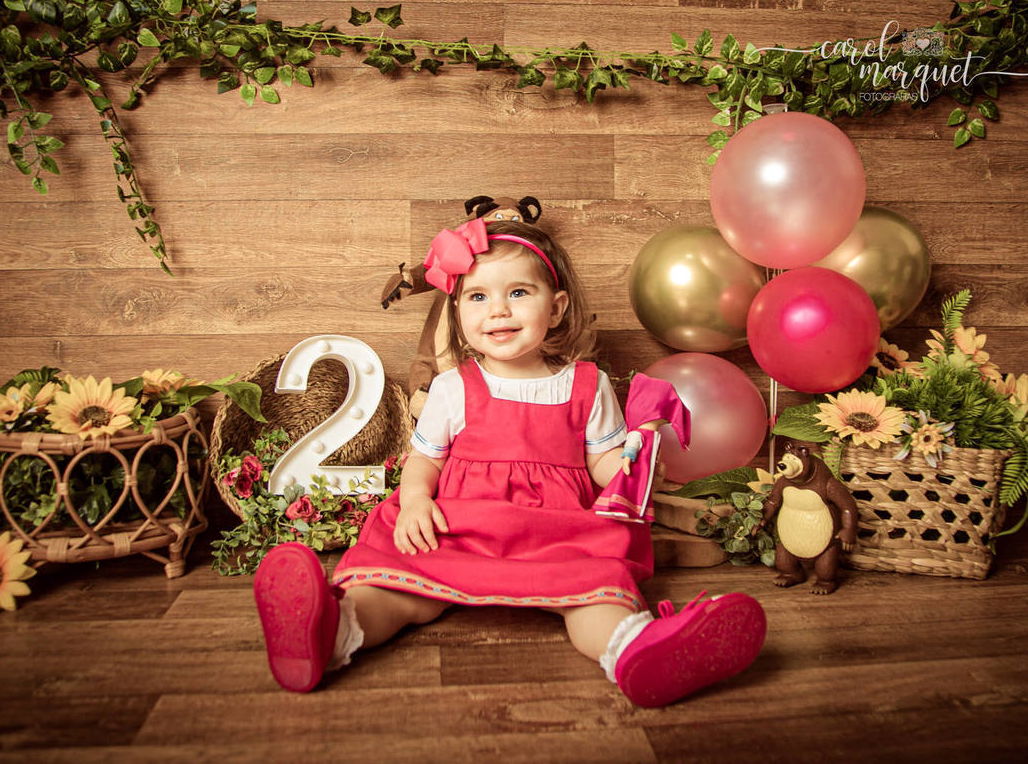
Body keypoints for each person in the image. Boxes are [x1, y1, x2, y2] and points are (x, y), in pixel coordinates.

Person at [253, 219, 766, 708]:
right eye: (478, 297)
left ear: (558, 306)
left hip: (558, 532)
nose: (498, 310)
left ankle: (638, 649)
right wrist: (413, 503)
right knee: (398, 589)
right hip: (459, 523)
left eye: (518, 292)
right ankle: (333, 632)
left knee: (596, 595)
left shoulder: (587, 384)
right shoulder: (453, 387)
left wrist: (633, 460)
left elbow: (603, 463)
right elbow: (424, 461)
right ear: (458, 312)